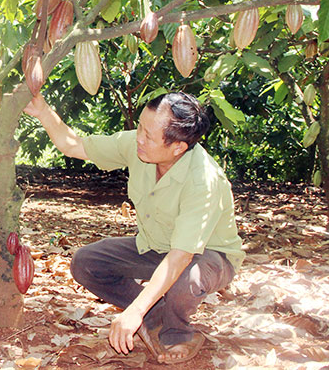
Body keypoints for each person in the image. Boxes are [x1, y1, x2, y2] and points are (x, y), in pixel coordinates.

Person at [24, 91, 244, 364]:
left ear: (177, 147)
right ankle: (155, 317)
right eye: (140, 126)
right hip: (156, 247)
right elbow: (75, 146)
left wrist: (134, 310)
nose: (139, 137)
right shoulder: (138, 146)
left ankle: (178, 333)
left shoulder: (203, 180)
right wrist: (43, 110)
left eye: (149, 135)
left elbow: (181, 257)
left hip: (209, 256)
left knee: (187, 277)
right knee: (86, 262)